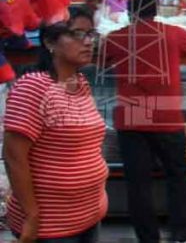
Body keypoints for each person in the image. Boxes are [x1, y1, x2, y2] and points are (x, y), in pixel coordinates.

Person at [100, 0, 186, 243]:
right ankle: (179, 231)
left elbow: (97, 55)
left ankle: (147, 238)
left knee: (138, 184)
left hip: (132, 118)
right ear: (156, 10)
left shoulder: (117, 38)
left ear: (130, 13)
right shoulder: (172, 33)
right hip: (166, 117)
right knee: (177, 175)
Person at [4, 17, 108, 242]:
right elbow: (14, 156)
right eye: (78, 34)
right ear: (50, 42)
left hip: (90, 215)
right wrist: (31, 216)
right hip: (51, 226)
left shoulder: (80, 82)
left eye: (91, 34)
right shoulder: (33, 86)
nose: (89, 42)